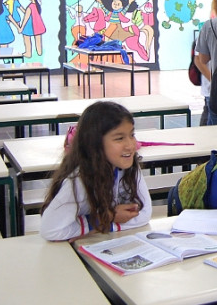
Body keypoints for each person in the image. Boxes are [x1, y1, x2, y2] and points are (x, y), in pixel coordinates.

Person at [39, 101, 152, 241]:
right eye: (119, 138)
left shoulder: (129, 168)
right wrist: (108, 217)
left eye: (132, 135)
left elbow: (144, 214)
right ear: (95, 143)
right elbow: (50, 230)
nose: (130, 145)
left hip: (105, 243)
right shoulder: (78, 181)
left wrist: (99, 227)